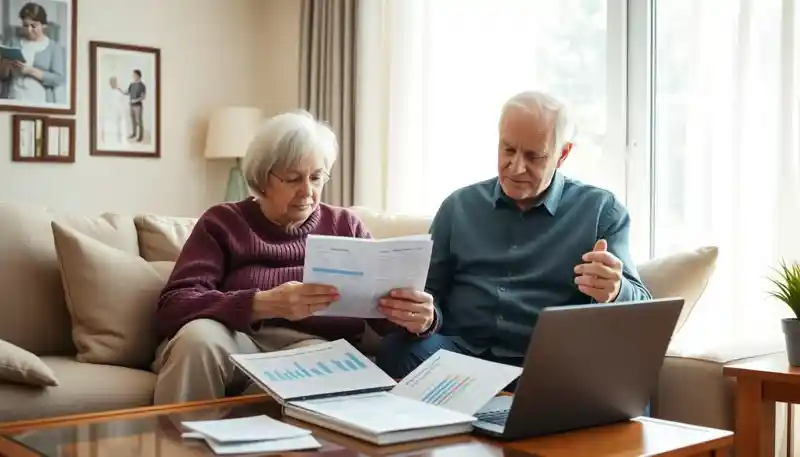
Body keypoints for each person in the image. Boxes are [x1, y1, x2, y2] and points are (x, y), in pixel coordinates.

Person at [152, 110, 436, 405]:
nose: (308, 192)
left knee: (322, 372)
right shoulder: (223, 222)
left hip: (312, 349)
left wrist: (420, 320)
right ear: (262, 178)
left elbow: (382, 314)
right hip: (234, 338)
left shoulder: (345, 226)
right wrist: (261, 303)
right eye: (292, 179)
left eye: (316, 177)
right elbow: (173, 306)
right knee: (198, 340)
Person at [375, 90, 653, 386]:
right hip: (461, 356)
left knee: (622, 377)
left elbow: (643, 309)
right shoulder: (458, 207)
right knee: (396, 351)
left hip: (547, 365)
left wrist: (615, 289)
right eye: (508, 150)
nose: (516, 167)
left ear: (563, 153)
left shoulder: (600, 211)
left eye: (534, 156)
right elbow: (430, 295)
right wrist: (426, 319)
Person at [0, 2, 67, 104]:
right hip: (13, 96)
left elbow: (58, 79)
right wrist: (6, 64)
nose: (29, 30)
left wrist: (30, 71)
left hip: (39, 100)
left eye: (34, 26)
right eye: (25, 25)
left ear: (43, 25)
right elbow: (3, 76)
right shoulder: (12, 42)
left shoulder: (54, 48)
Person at [115, 69, 146, 141]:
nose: (133, 76)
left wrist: (135, 100)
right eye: (133, 75)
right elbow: (126, 93)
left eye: (134, 75)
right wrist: (119, 89)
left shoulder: (142, 86)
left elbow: (143, 97)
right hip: (131, 106)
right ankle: (134, 134)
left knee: (139, 121)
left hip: (138, 106)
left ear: (138, 76)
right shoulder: (132, 85)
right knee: (133, 120)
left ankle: (140, 137)